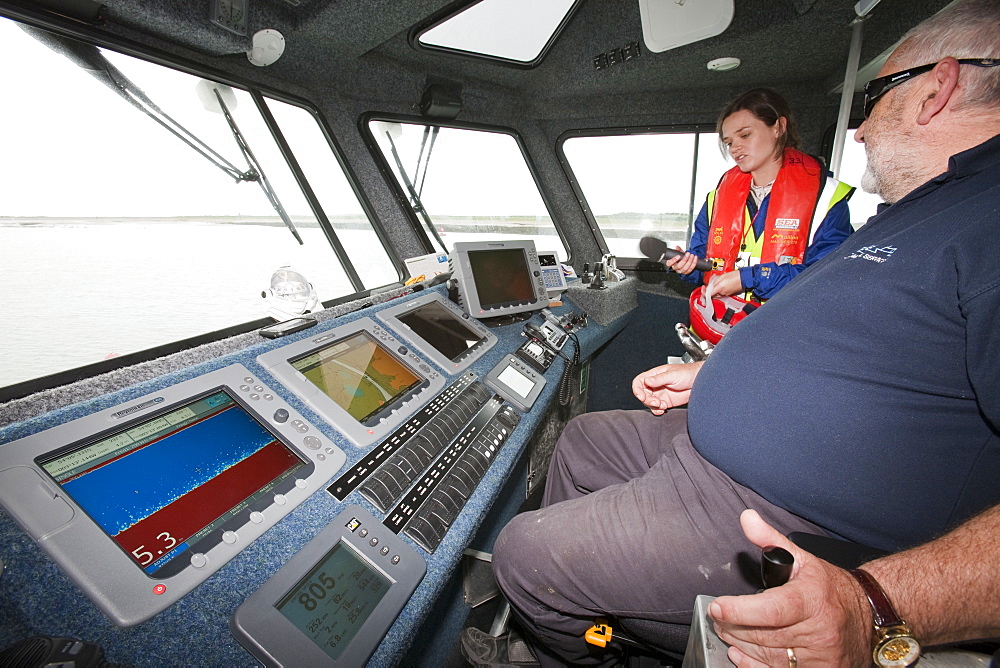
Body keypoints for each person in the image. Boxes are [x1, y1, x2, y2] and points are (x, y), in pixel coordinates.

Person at [461, 0, 1000, 665]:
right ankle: (594, 613)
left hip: (786, 508)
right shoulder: (919, 211)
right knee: (580, 436)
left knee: (523, 552)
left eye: (877, 95)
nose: (858, 129)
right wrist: (712, 371)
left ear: (938, 87)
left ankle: (579, 644)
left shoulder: (979, 216)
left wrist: (876, 604)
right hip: (717, 437)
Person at [665, 88, 855, 303]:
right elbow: (706, 265)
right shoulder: (716, 199)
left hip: (782, 325)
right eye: (729, 142)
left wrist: (751, 278)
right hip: (719, 324)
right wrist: (688, 266)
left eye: (745, 135)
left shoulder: (826, 198)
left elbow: (828, 275)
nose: (735, 148)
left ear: (778, 128)